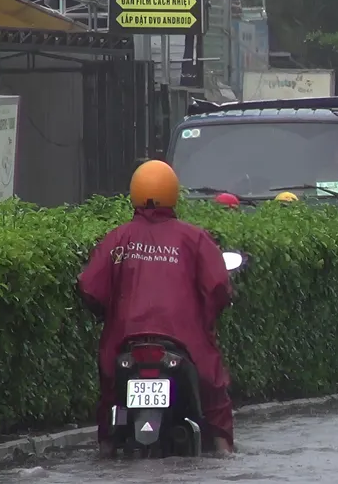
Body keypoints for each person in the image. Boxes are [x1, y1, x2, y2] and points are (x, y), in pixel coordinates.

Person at [77, 160, 235, 456]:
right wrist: (208, 315)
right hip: (184, 340)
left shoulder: (118, 238)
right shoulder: (194, 238)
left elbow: (90, 286)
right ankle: (224, 450)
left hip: (125, 340)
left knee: (111, 396)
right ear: (174, 192)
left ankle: (107, 447)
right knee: (213, 391)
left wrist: (104, 313)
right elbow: (217, 288)